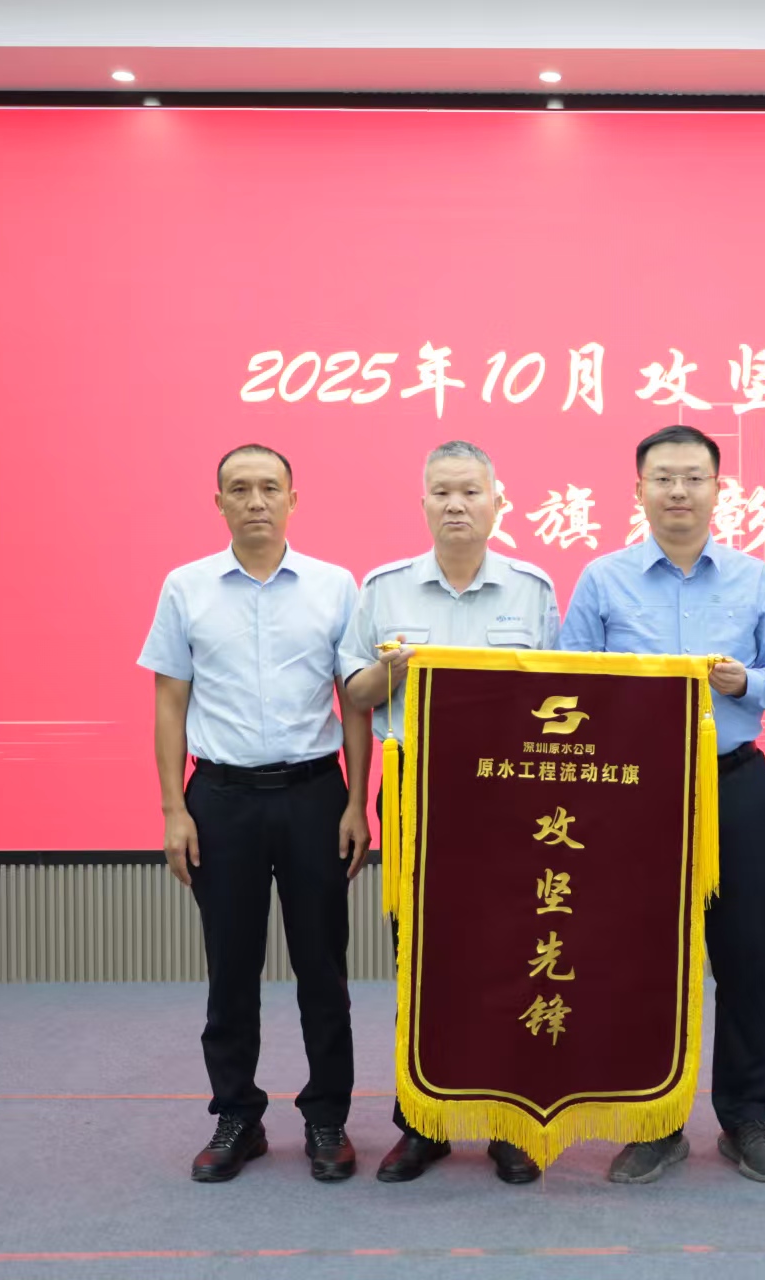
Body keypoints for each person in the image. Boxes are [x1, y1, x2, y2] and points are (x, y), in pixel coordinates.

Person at [560, 424, 765, 1185]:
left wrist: (746, 683)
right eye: (662, 477)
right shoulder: (603, 579)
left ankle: (745, 1119)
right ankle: (654, 1123)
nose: (678, 491)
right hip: (635, 793)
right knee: (644, 964)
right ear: (638, 490)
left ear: (717, 490)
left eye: (693, 477)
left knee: (744, 959)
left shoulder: (754, 578)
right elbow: (566, 683)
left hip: (732, 785)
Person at [138, 443, 370, 1184]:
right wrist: (174, 809)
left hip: (313, 796)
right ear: (219, 503)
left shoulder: (335, 587)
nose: (256, 501)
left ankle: (327, 1116)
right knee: (230, 968)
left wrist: (356, 802)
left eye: (270, 487)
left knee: (322, 967)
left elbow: (355, 703)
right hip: (221, 800)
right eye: (239, 489)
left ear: (293, 499)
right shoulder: (186, 587)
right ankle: (237, 1115)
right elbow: (169, 701)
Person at [345, 440, 558, 1185]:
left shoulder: (532, 589)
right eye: (441, 492)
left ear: (498, 501)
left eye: (470, 491)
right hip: (418, 789)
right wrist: (388, 670)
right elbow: (356, 694)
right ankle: (422, 1122)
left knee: (510, 957)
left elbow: (564, 698)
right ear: (424, 503)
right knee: (419, 959)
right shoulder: (385, 589)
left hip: (510, 796)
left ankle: (507, 1123)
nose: (456, 505)